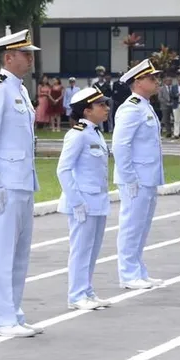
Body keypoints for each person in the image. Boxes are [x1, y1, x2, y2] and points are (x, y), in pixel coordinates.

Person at [0, 29, 43, 338]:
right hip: (4, 184)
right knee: (1, 252)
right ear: (9, 57)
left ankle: (13, 311)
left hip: (22, 181)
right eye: (25, 54)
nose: (30, 59)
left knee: (19, 253)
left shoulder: (20, 90)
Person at [56, 86, 112, 310]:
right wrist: (76, 201)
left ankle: (87, 290)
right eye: (101, 105)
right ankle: (77, 294)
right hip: (83, 202)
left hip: (97, 200)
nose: (106, 108)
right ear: (87, 111)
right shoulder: (77, 134)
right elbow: (63, 170)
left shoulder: (95, 132)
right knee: (80, 249)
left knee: (92, 249)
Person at [112, 59, 165, 289]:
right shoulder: (131, 108)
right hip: (136, 178)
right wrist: (129, 177)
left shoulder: (145, 106)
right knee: (131, 226)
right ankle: (128, 273)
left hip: (147, 176)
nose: (156, 81)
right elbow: (120, 145)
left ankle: (138, 270)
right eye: (151, 78)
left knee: (142, 226)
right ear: (138, 82)